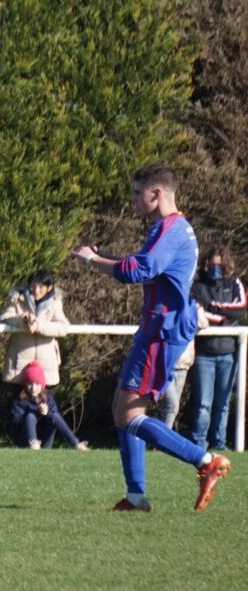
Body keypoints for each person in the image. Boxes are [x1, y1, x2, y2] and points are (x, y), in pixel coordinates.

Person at [70, 163, 229, 512]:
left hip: (161, 332)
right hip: (159, 328)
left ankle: (205, 460)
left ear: (156, 194)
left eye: (136, 192)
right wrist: (105, 257)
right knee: (121, 410)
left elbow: (142, 269)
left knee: (129, 416)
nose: (133, 200)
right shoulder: (172, 228)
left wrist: (94, 261)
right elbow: (148, 265)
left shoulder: (170, 229)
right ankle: (136, 496)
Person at [188, 246, 246, 450]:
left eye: (219, 265)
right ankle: (199, 443)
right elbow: (199, 313)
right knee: (204, 403)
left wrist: (216, 310)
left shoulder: (234, 283)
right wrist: (222, 316)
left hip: (229, 353)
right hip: (204, 353)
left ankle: (219, 443)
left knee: (222, 404)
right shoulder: (197, 285)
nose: (215, 269)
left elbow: (241, 309)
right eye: (212, 265)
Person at [0, 270, 70, 392]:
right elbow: (5, 319)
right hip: (19, 366)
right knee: (18, 407)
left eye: (40, 287)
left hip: (46, 367)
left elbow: (63, 328)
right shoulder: (17, 299)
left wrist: (38, 326)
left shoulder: (55, 303)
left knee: (44, 408)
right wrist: (23, 321)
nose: (36, 290)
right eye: (33, 285)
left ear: (49, 288)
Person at [10, 362, 87, 450]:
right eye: (30, 384)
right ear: (25, 384)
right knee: (30, 416)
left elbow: (56, 418)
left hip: (45, 440)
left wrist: (46, 413)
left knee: (54, 415)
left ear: (42, 385)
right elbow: (17, 421)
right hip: (25, 440)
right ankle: (33, 443)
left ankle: (76, 444)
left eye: (37, 384)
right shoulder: (20, 399)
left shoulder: (48, 397)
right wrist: (36, 412)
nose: (33, 387)